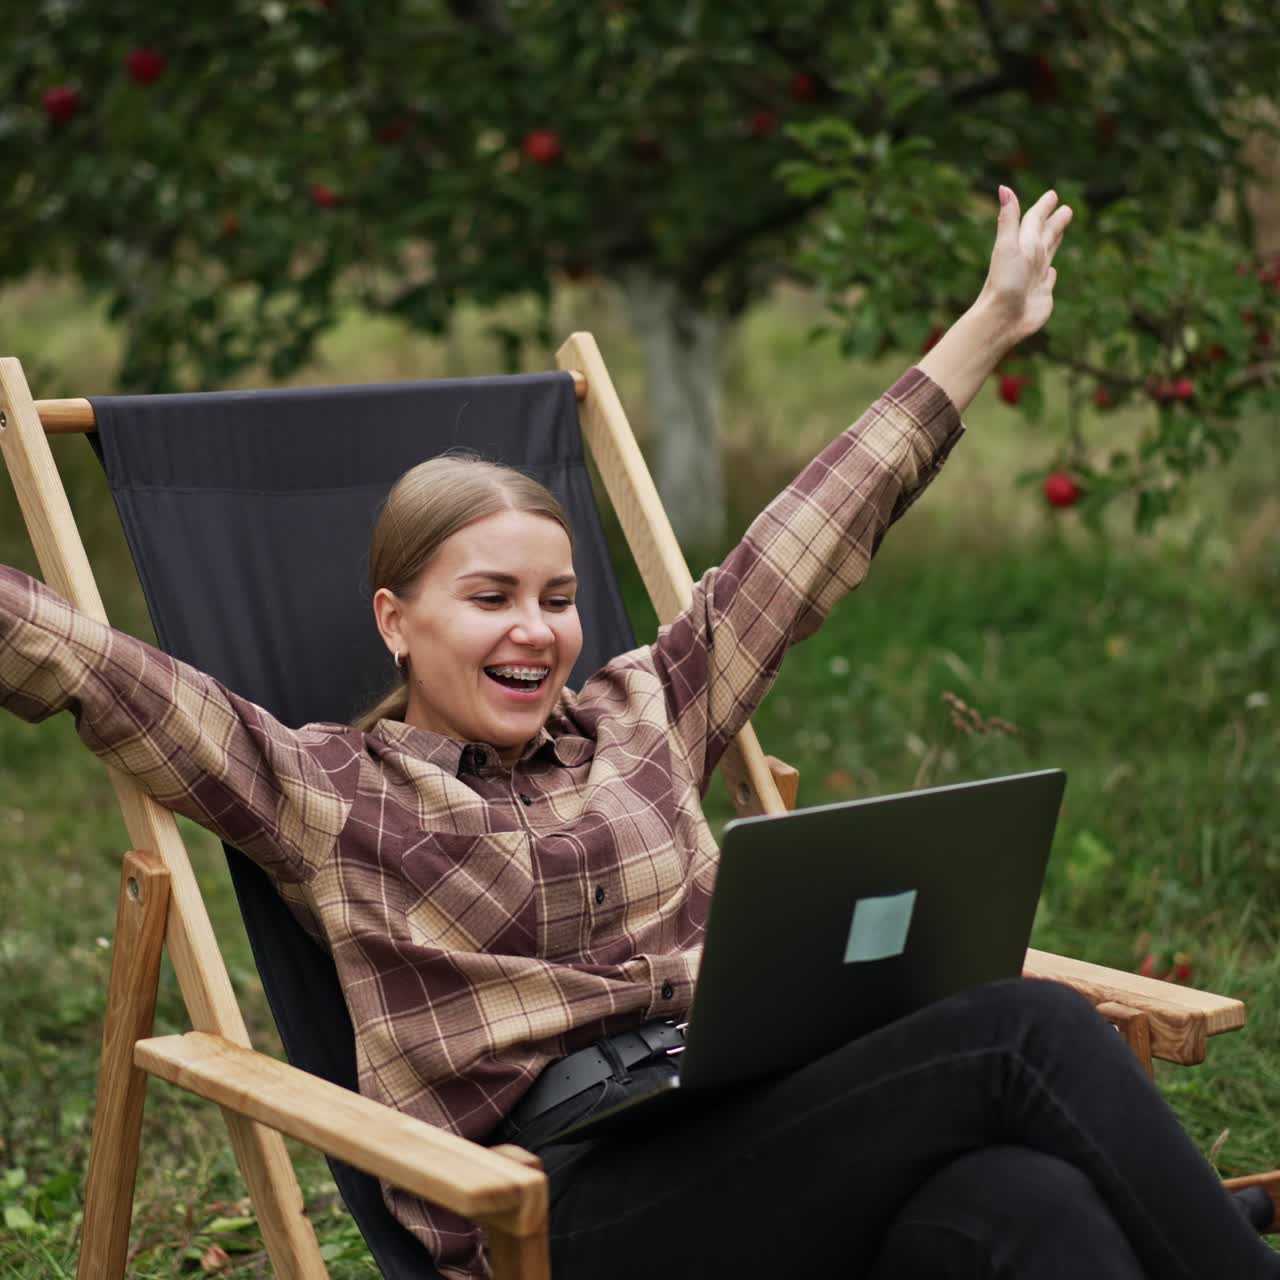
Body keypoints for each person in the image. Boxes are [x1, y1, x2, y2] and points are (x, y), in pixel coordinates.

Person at [0, 187, 1273, 1280]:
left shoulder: (645, 711)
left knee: (1023, 1207)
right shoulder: (324, 790)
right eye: (487, 596)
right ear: (395, 620)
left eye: (556, 596)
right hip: (564, 1203)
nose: (537, 629)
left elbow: (814, 531)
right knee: (1023, 1029)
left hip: (739, 1118)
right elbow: (87, 667)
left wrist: (986, 325)